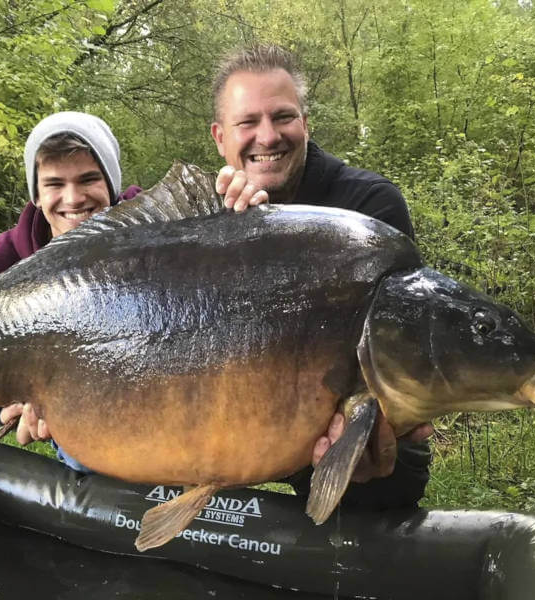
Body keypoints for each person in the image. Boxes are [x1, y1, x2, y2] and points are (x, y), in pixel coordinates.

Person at [0, 110, 269, 466]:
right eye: (54, 185)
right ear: (36, 195)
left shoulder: (161, 232)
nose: (72, 199)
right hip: (39, 384)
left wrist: (244, 205)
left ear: (112, 185)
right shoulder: (1, 259)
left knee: (91, 458)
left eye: (87, 180)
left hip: (144, 392)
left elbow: (234, 259)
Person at [209, 44, 433, 508]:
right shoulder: (214, 216)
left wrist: (274, 225)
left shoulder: (371, 206)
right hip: (247, 410)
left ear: (305, 124)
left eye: (283, 117)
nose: (267, 137)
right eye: (247, 122)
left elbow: (401, 346)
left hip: (345, 409)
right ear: (219, 137)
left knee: (379, 471)